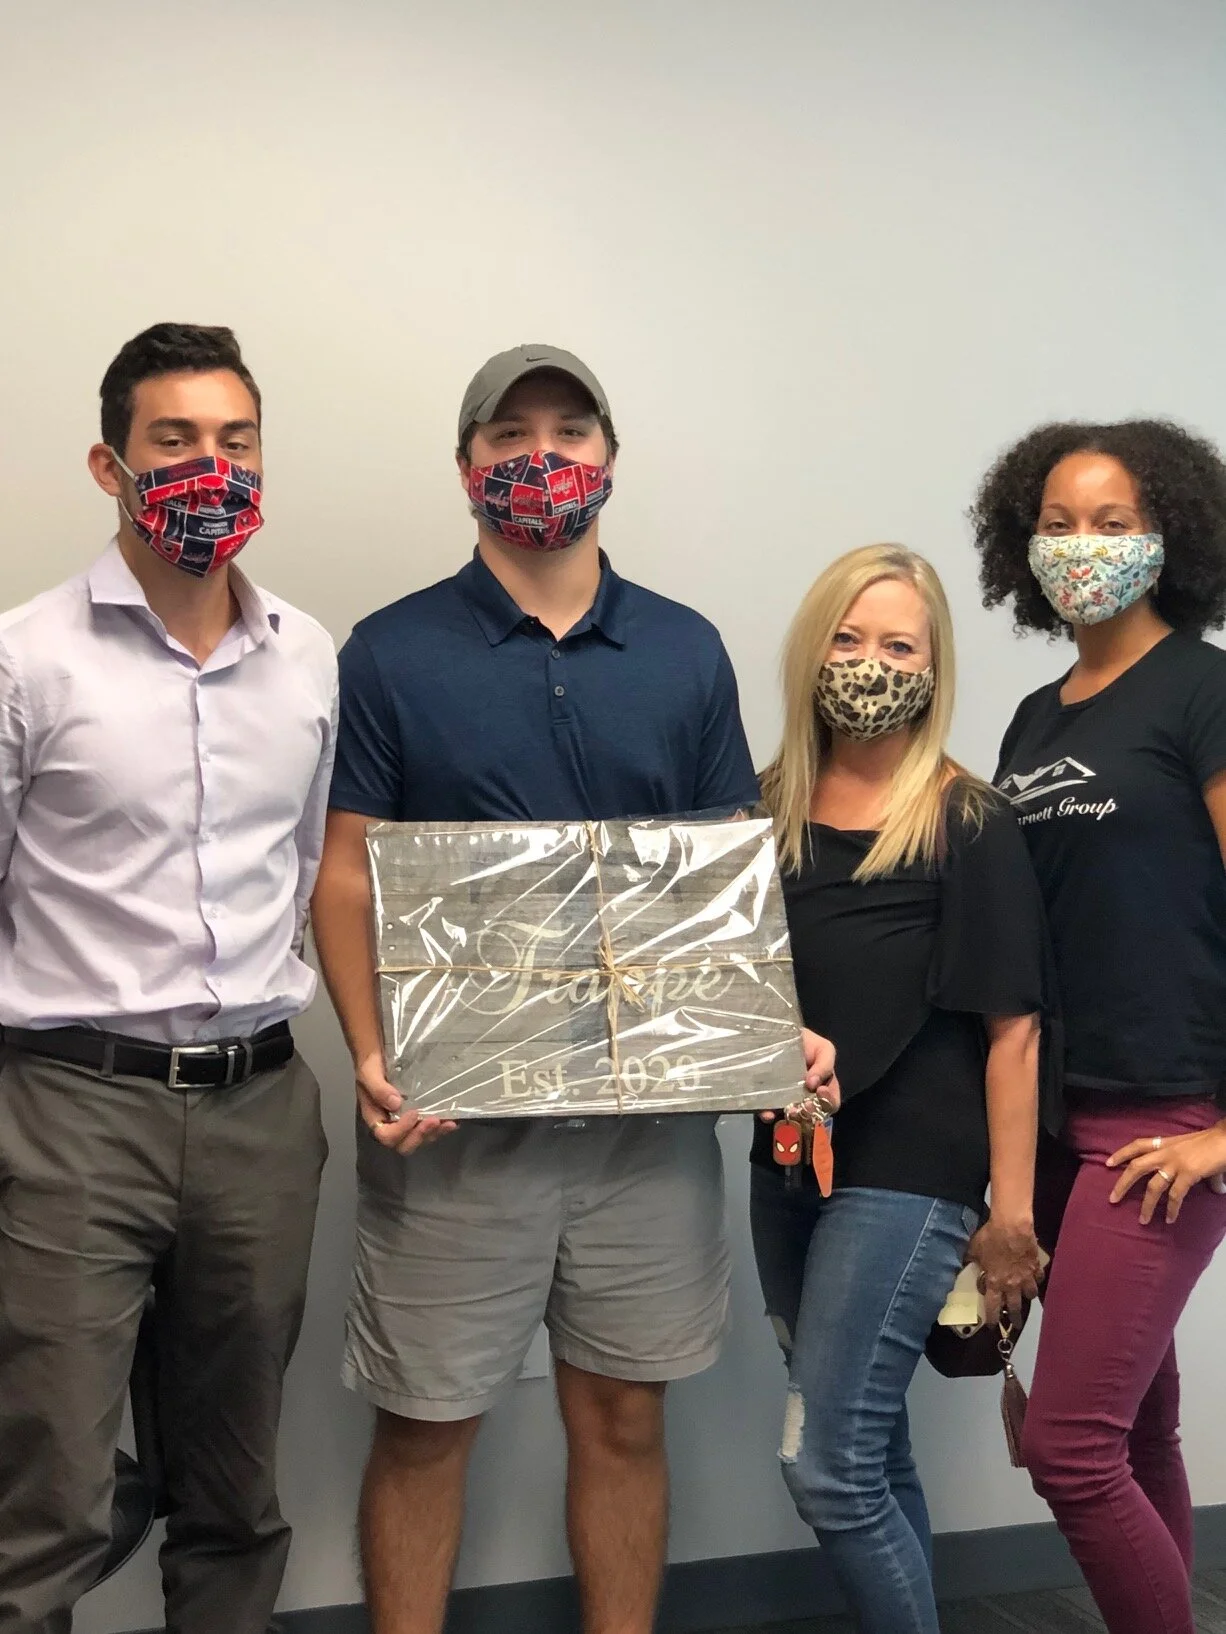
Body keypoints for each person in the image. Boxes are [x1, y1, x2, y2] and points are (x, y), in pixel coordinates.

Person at [311, 343, 836, 1634]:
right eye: (508, 434)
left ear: (608, 458)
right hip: (452, 1126)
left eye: (568, 429)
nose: (540, 454)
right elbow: (345, 871)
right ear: (465, 466)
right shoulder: (389, 651)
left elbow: (722, 873)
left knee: (621, 1415)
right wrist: (371, 1048)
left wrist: (768, 1028)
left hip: (642, 1133)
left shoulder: (682, 648)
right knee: (425, 1423)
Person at [0, 323, 337, 1634]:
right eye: (176, 439)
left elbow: (302, 868)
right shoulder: (27, 658)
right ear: (111, 465)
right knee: (46, 1499)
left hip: (258, 1110)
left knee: (234, 1491)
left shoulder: (307, 657)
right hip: (69, 1112)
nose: (212, 465)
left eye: (235, 441)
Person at [750, 544, 1052, 1634]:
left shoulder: (968, 819)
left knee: (826, 1468)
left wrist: (1010, 1214)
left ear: (932, 668)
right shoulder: (764, 809)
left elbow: (1013, 1030)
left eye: (896, 645)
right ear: (810, 650)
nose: (867, 663)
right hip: (788, 1162)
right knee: (872, 1451)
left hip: (911, 1172)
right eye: (845, 638)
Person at [974, 419, 1226, 1634]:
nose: (1082, 545)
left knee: (1067, 1449)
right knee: (1133, 1431)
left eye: (1111, 522)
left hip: (1163, 1121)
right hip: (1065, 1122)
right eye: (1058, 524)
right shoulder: (1033, 718)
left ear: (1166, 536)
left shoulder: (1204, 689)